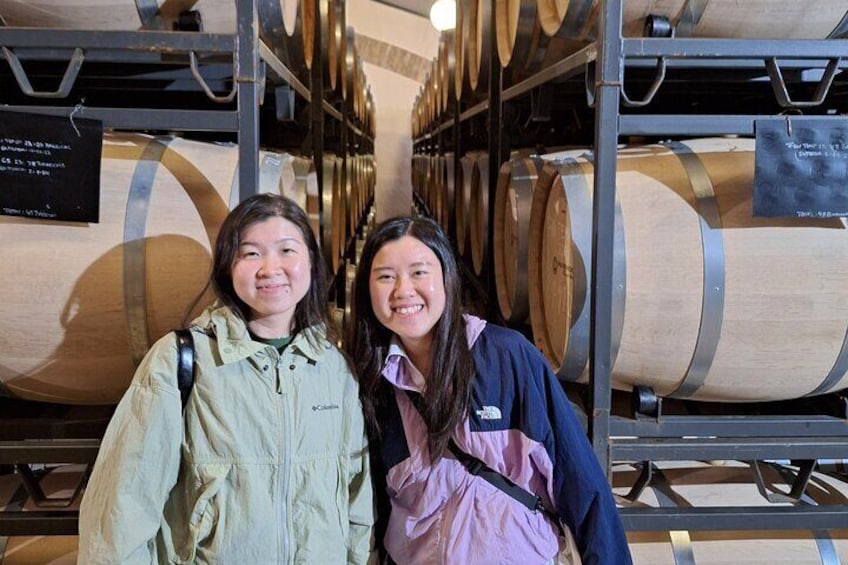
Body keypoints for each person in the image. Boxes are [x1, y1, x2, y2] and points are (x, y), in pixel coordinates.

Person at [79, 193, 374, 564]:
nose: (270, 268)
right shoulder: (181, 361)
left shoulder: (334, 368)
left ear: (312, 262)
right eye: (250, 253)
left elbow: (355, 497)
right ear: (227, 267)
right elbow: (124, 503)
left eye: (287, 250)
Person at [348, 215, 631, 565]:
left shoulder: (506, 355)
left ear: (447, 278)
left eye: (419, 272)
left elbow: (582, 484)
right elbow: (376, 504)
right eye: (386, 276)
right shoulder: (373, 382)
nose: (403, 290)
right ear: (367, 288)